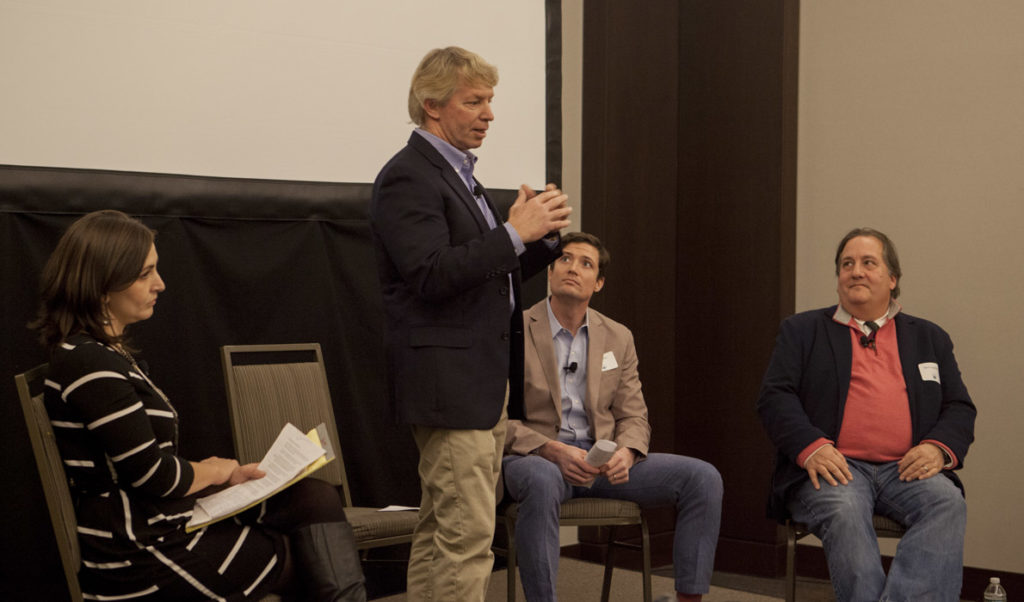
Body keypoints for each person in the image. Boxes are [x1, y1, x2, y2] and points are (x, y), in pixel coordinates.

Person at [30, 210, 366, 601]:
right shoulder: (88, 363)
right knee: (300, 558)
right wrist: (214, 470)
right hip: (140, 551)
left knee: (312, 496)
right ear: (103, 287)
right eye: (145, 274)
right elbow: (151, 475)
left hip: (165, 520)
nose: (160, 284)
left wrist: (222, 476)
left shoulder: (105, 355)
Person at [369, 46, 571, 601]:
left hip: (477, 386)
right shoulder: (409, 177)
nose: (489, 114)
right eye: (474, 101)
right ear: (433, 106)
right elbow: (431, 274)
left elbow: (486, 275)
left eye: (490, 101)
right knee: (467, 535)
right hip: (448, 385)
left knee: (443, 533)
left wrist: (540, 237)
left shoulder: (460, 177)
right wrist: (512, 234)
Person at [757, 227, 976, 602]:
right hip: (835, 467)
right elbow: (775, 397)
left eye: (868, 263)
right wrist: (812, 447)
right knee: (844, 509)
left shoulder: (929, 337)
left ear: (892, 279)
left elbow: (958, 406)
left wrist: (937, 450)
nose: (856, 271)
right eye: (847, 264)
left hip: (905, 469)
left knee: (946, 502)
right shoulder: (802, 330)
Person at [502, 232, 723, 602]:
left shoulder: (618, 337)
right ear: (550, 272)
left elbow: (634, 415)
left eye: (585, 263)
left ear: (599, 283)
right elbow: (496, 418)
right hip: (537, 460)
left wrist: (628, 452)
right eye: (565, 259)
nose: (573, 268)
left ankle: (689, 599)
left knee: (703, 478)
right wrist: (550, 450)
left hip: (600, 463)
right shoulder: (514, 329)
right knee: (540, 479)